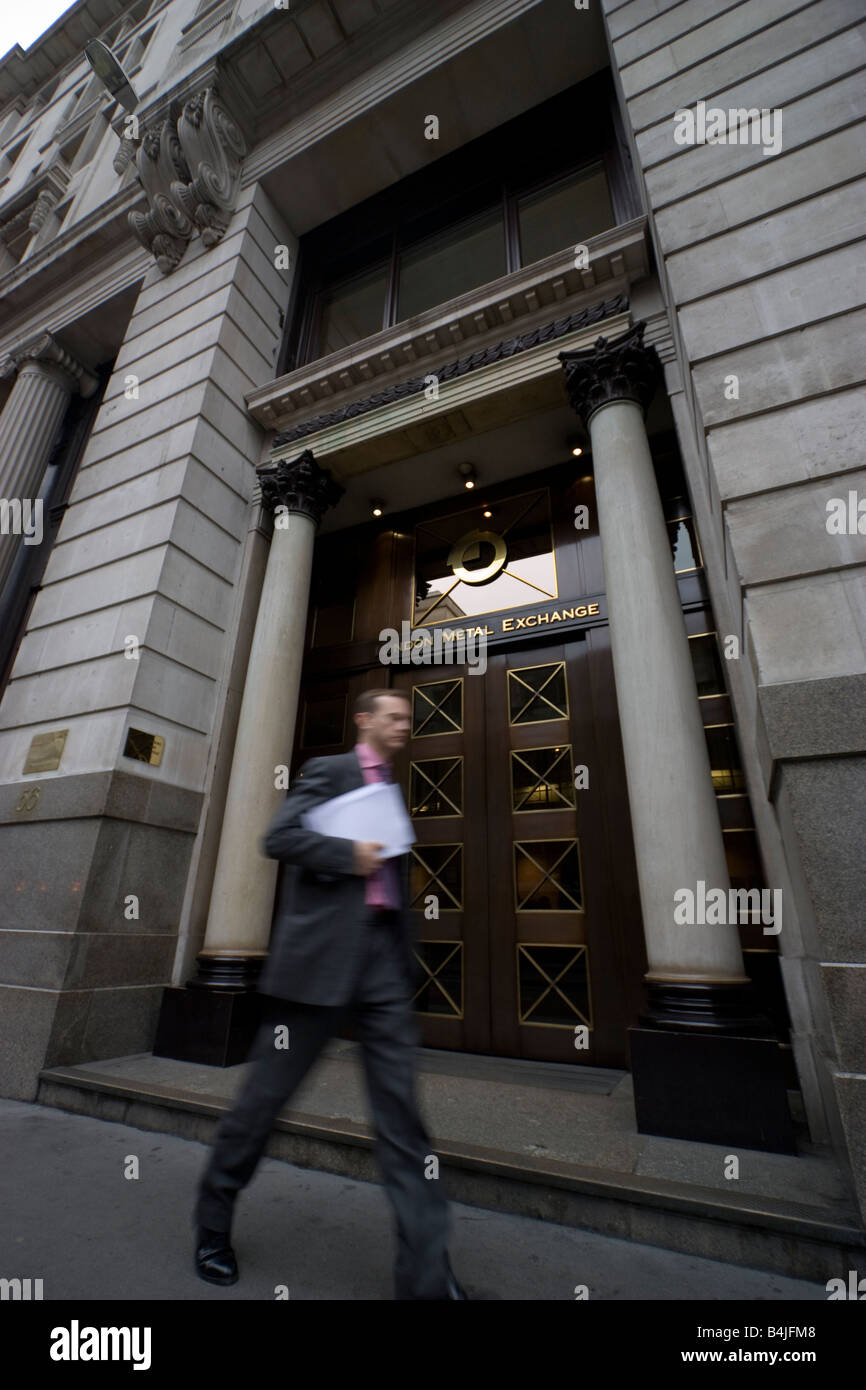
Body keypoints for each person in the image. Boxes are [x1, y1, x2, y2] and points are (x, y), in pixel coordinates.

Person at [192, 688, 468, 1299]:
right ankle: (212, 1225)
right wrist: (351, 854)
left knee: (402, 1123)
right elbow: (280, 838)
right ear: (364, 719)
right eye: (392, 716)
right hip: (316, 969)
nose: (403, 725)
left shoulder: (393, 788)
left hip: (383, 972)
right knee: (261, 1105)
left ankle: (425, 1275)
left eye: (407, 719)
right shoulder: (330, 771)